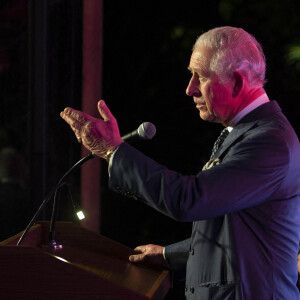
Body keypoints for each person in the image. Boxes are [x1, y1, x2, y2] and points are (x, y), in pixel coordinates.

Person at [60, 26, 300, 299]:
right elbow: (235, 234)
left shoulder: (269, 142)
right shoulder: (248, 132)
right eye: (191, 75)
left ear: (236, 82)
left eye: (200, 76)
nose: (190, 89)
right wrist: (167, 255)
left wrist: (114, 151)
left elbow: (191, 200)